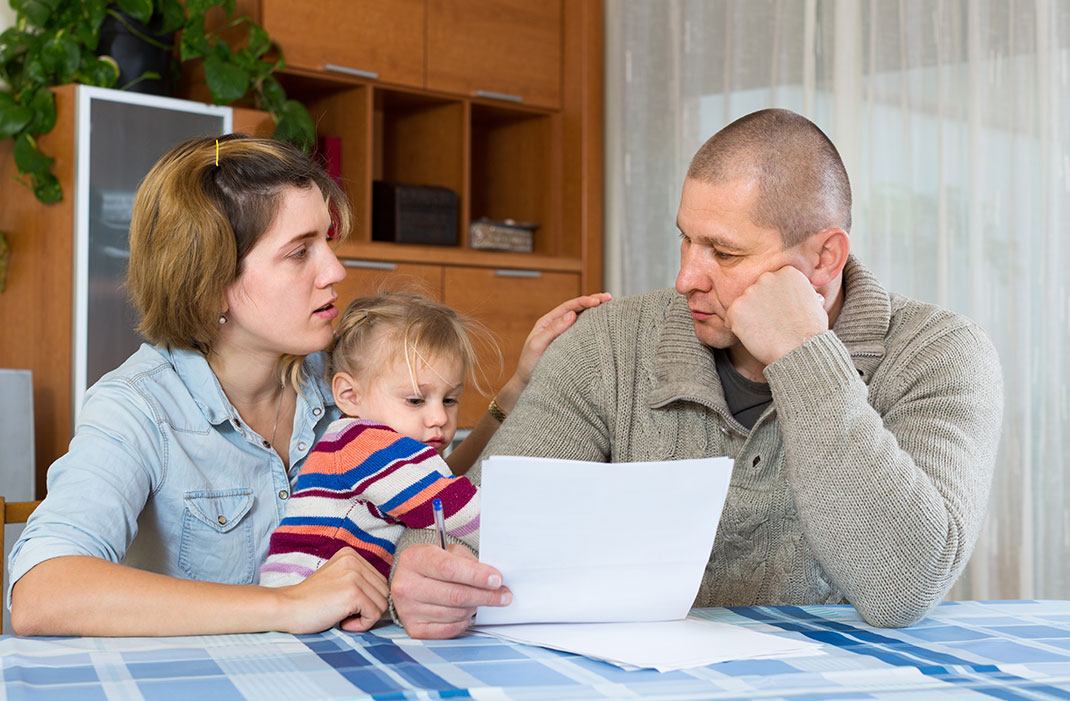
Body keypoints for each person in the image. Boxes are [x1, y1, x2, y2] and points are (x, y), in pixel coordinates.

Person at [389, 108, 1004, 638]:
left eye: (725, 253)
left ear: (825, 258)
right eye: (685, 240)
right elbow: (476, 529)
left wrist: (803, 355)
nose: (686, 277)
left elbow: (904, 588)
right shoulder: (608, 344)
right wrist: (420, 568)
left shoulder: (940, 354)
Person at [7, 134, 609, 636]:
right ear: (213, 282)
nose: (336, 271)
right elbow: (40, 592)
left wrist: (513, 395)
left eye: (328, 241)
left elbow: (422, 475)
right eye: (300, 252)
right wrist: (288, 605)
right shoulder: (136, 408)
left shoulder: (336, 375)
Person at [259, 293, 485, 587]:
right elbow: (456, 507)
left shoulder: (374, 444)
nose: (439, 417)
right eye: (416, 400)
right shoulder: (364, 444)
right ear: (350, 396)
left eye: (450, 399)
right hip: (300, 596)